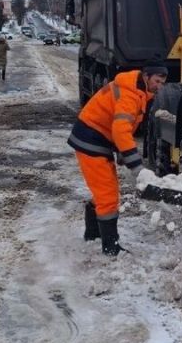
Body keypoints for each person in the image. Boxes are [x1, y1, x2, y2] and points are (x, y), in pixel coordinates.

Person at [67, 64, 168, 256]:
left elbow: (122, 125)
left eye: (163, 83)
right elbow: (120, 130)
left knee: (105, 190)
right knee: (108, 195)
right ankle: (110, 247)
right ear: (146, 77)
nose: (159, 86)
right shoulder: (130, 94)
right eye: (157, 81)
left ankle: (93, 233)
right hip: (91, 141)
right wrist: (137, 167)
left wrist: (122, 152)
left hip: (96, 139)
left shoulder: (138, 91)